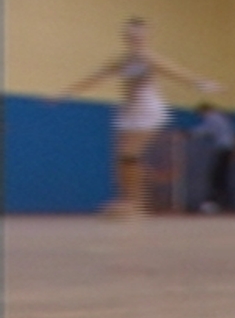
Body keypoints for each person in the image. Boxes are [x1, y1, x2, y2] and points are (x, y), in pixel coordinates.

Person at [53, 17, 219, 218]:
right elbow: (94, 77)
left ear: (146, 37)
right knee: (122, 159)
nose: (135, 37)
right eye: (130, 34)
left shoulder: (149, 58)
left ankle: (136, 203)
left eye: (139, 34)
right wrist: (66, 93)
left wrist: (204, 84)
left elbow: (175, 72)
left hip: (148, 109)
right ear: (125, 37)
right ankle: (127, 200)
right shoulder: (120, 60)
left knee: (130, 155)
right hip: (128, 110)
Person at [192, 102, 235, 214]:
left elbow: (207, 129)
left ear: (204, 111)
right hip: (228, 148)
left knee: (216, 176)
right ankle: (222, 201)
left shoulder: (212, 117)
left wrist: (192, 133)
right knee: (221, 176)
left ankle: (215, 202)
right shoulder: (222, 117)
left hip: (223, 148)